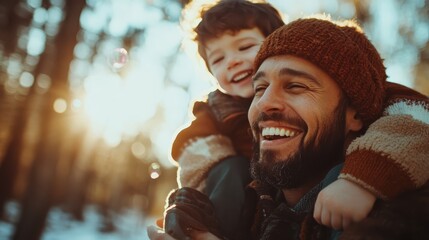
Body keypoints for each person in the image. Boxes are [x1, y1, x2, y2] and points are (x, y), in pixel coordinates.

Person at [153, 1, 429, 240]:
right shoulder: (212, 112)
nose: (233, 62)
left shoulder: (399, 214)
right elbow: (192, 148)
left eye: (295, 86)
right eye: (260, 88)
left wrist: (363, 179)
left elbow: (412, 119)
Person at [247, 16, 429, 239]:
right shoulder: (240, 209)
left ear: (355, 115)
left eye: (295, 86)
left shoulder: (406, 220)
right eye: (260, 88)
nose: (264, 103)